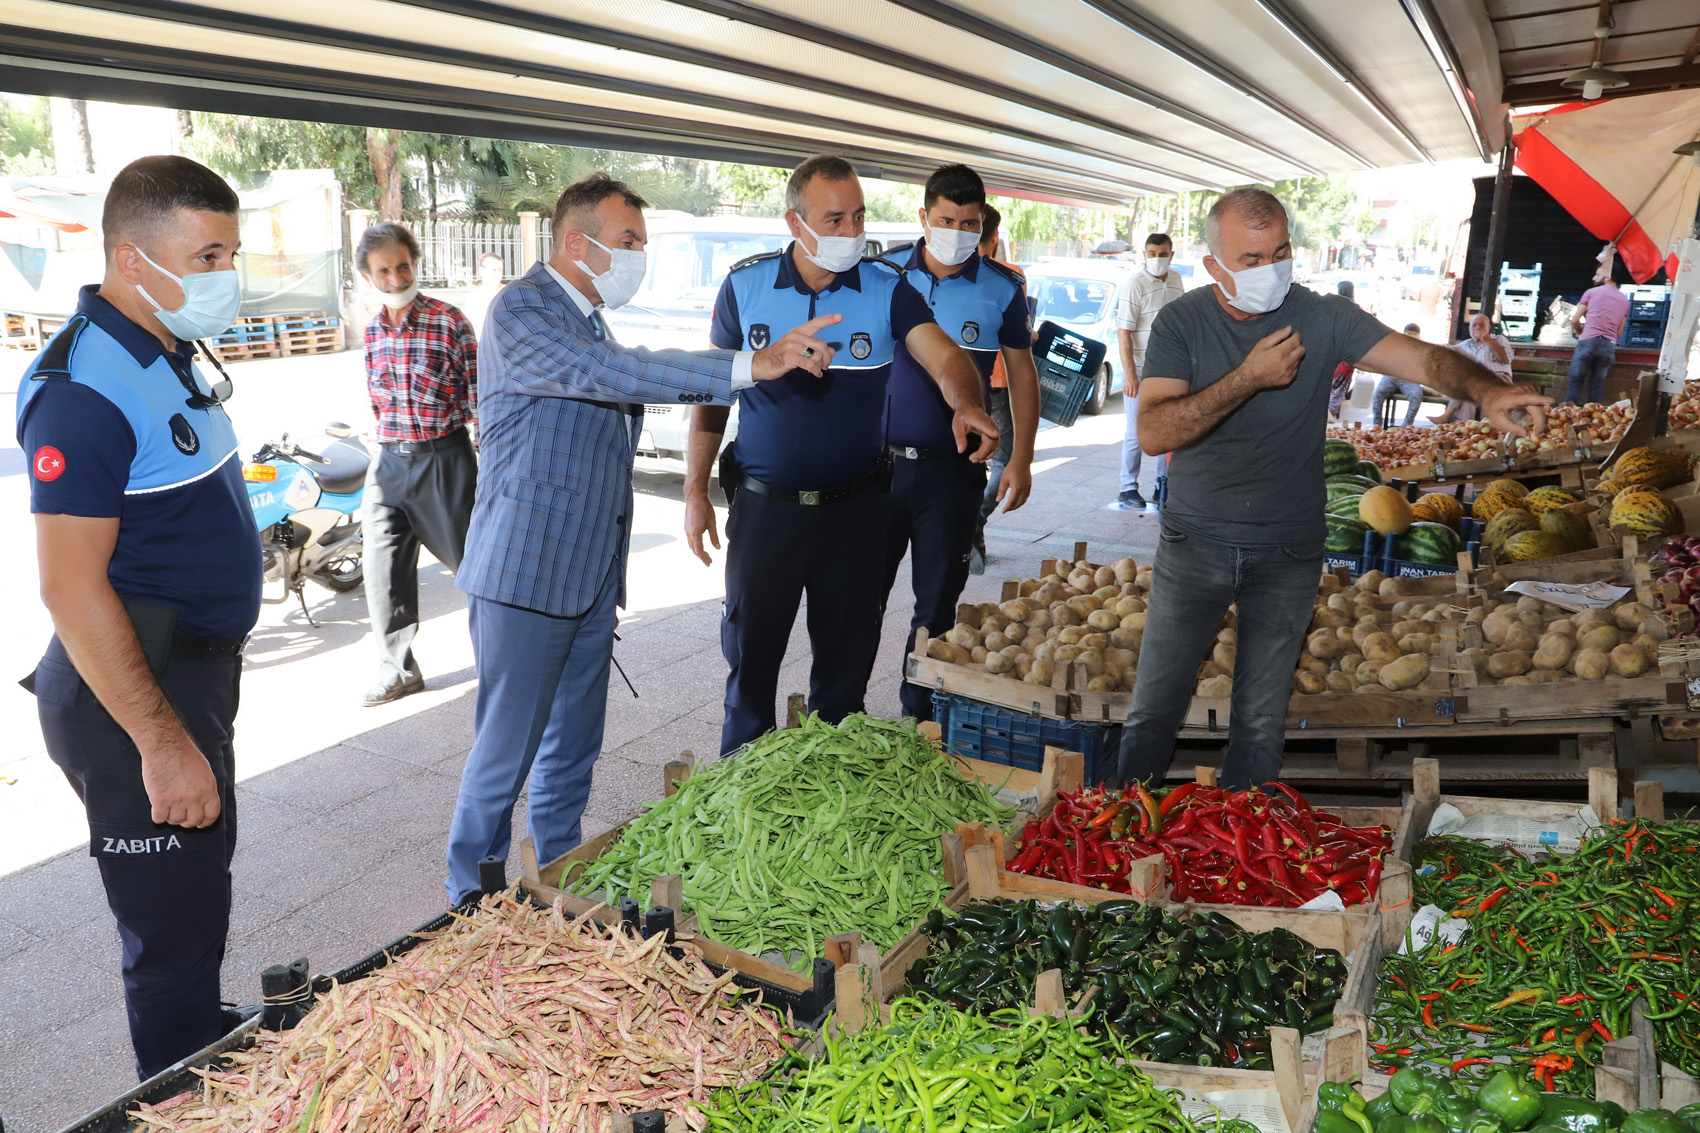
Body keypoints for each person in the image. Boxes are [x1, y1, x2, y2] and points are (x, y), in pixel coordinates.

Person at [444, 173, 835, 902]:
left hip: (588, 578)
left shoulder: (588, 318)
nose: (637, 258)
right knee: (504, 756)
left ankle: (561, 877)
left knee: (571, 753)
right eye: (627, 243)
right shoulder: (522, 311)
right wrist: (752, 365)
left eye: (640, 245)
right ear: (574, 241)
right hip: (525, 577)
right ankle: (470, 896)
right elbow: (617, 373)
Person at [1115, 188, 1549, 790]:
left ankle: (1247, 856)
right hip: (1196, 544)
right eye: (1251, 259)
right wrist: (1247, 379)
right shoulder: (1182, 322)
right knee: (1152, 711)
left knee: (1262, 723)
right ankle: (1121, 835)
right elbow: (1156, 430)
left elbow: (1425, 361)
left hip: (1289, 551)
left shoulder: (1323, 316)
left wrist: (1489, 390)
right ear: (1214, 265)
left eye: (1281, 252)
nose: (1271, 269)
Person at [15, 155, 261, 1078]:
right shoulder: (82, 391)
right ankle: (180, 1088)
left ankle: (199, 1031)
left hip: (186, 673)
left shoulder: (155, 346)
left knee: (197, 894)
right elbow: (71, 588)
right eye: (207, 256)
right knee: (166, 924)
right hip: (133, 696)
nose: (225, 278)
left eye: (228, 255)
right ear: (132, 256)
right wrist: (161, 743)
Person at [683, 154, 999, 754]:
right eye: (834, 220)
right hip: (765, 514)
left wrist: (965, 401)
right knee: (750, 674)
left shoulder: (886, 288)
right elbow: (711, 392)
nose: (852, 232)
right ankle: (741, 806)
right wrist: (696, 491)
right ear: (794, 223)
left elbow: (946, 357)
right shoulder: (745, 285)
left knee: (844, 680)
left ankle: (830, 801)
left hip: (856, 517)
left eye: (858, 217)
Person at [873, 164, 1037, 722]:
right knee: (856, 598)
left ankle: (917, 719)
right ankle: (842, 710)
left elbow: (1022, 375)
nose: (957, 231)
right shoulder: (882, 273)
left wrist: (1022, 456)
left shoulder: (1002, 289)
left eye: (969, 223)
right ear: (924, 216)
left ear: (983, 223)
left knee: (937, 604)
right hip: (875, 469)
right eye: (946, 219)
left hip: (954, 470)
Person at [355, 221, 479, 706]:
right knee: (382, 571)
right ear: (368, 276)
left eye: (402, 266)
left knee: (474, 568)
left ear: (416, 263)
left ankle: (503, 658)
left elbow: (478, 399)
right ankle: (397, 668)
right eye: (382, 270)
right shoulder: (370, 331)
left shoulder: (450, 321)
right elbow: (377, 400)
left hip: (443, 461)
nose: (394, 277)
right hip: (388, 464)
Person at [970, 204, 1028, 574]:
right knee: (1002, 458)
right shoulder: (1013, 276)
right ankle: (976, 521)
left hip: (962, 390)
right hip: (999, 387)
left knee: (966, 460)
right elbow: (1022, 335)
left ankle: (969, 524)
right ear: (994, 239)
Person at [1116, 233, 1186, 510]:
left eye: (1163, 254)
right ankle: (1127, 488)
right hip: (1142, 371)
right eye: (1152, 253)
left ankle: (1162, 484)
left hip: (1169, 370)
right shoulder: (1134, 284)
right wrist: (1130, 374)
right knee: (1136, 432)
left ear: (1171, 254)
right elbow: (1124, 333)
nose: (1157, 259)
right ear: (1144, 255)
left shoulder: (1177, 281)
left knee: (1166, 429)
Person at [1435, 314, 1513, 422]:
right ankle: (1466, 429)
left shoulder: (1499, 339)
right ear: (1469, 329)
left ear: (1489, 328)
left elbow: (1506, 359)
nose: (1477, 327)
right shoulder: (1466, 344)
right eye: (1474, 325)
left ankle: (1447, 416)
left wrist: (1487, 340)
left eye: (1481, 325)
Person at [1568, 273, 1628, 404]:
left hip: (1588, 342)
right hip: (1608, 346)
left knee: (1575, 382)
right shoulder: (1625, 300)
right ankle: (1594, 420)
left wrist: (1579, 332)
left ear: (1607, 277)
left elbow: (1575, 320)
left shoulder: (1591, 292)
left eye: (1597, 274)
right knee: (1597, 386)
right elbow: (1619, 332)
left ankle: (1569, 417)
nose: (1594, 278)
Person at [1369, 323, 1430, 427]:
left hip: (1409, 380)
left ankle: (1406, 425)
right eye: (1408, 334)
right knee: (1378, 393)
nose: (1410, 337)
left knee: (1416, 395)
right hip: (1390, 377)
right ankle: (1377, 424)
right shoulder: (1396, 343)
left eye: (1413, 335)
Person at [457, 250, 505, 338]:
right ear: (481, 271)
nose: (497, 274)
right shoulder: (474, 297)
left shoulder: (508, 292)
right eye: (494, 270)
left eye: (500, 270)